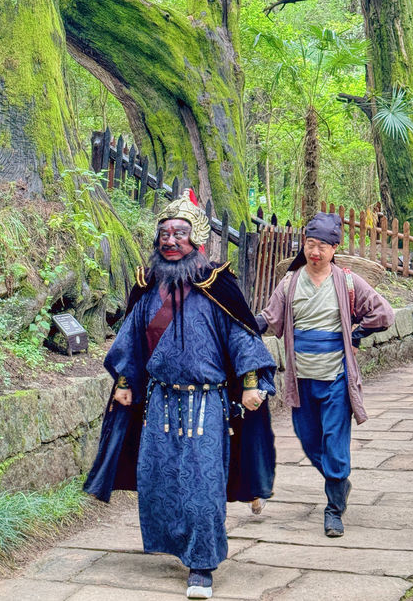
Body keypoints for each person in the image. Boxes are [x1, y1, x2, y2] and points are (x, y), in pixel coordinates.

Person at [85, 190, 276, 600]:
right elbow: (131, 340)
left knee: (203, 485)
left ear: (198, 240)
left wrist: (249, 383)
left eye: (180, 234)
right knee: (162, 481)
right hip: (160, 403)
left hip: (206, 405)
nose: (170, 241)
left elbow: (243, 336)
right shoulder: (147, 287)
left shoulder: (218, 286)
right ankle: (179, 548)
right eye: (164, 234)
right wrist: (123, 382)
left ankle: (202, 566)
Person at [258, 211, 394, 537]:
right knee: (309, 441)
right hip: (301, 380)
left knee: (334, 442)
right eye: (309, 244)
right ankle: (340, 481)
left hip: (336, 378)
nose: (314, 252)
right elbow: (270, 318)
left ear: (334, 248)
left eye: (322, 246)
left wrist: (357, 336)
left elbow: (384, 313)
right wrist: (239, 325)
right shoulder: (290, 282)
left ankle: (334, 509)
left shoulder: (347, 282)